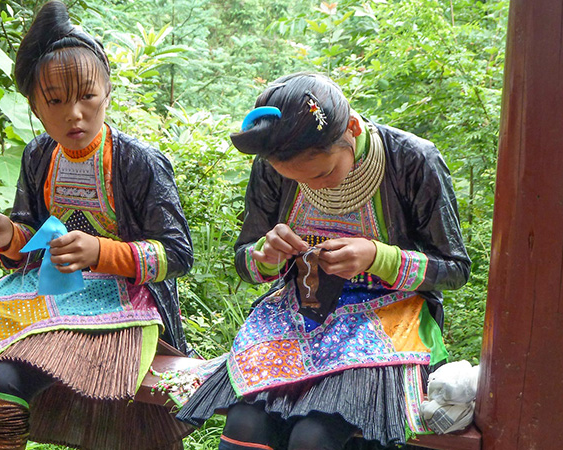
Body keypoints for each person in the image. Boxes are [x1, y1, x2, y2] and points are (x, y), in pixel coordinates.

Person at [0, 2, 193, 449]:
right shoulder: (39, 155)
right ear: (36, 106)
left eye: (87, 96)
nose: (74, 114)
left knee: (4, 384)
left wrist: (101, 253)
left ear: (108, 92)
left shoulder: (139, 162)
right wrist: (8, 234)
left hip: (120, 308)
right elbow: (32, 238)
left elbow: (177, 255)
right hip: (43, 295)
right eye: (56, 101)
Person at [176, 73, 470, 450]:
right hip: (296, 314)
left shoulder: (412, 160)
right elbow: (246, 260)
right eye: (296, 179)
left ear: (351, 127)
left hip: (390, 321)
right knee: (245, 424)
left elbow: (455, 268)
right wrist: (265, 256)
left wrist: (378, 257)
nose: (314, 187)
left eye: (323, 173)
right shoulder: (272, 165)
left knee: (315, 437)